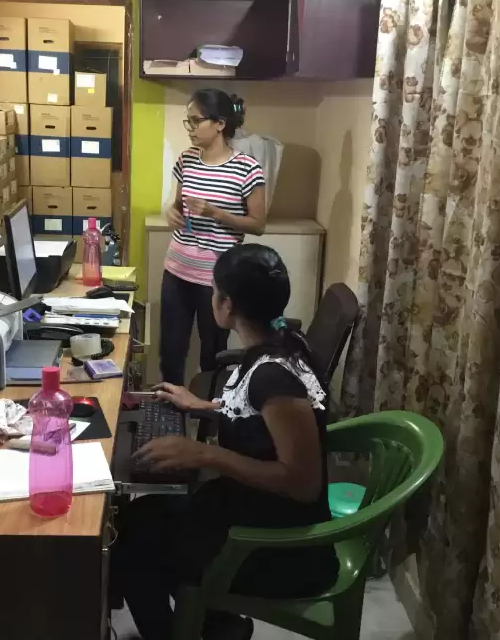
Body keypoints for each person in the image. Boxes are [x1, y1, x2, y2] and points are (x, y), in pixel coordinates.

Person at [111, 244, 338, 640]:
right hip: (252, 513)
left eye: (213, 290)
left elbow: (303, 484)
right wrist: (202, 406)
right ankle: (217, 625)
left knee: (131, 546)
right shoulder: (283, 341)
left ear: (227, 305)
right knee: (137, 518)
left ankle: (186, 629)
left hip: (278, 549)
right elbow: (259, 421)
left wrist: (204, 453)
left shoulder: (274, 378)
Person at [160, 89, 267, 386]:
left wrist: (215, 213)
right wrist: (172, 213)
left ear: (220, 123)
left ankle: (207, 408)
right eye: (188, 122)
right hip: (177, 269)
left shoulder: (247, 168)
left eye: (196, 121)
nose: (191, 129)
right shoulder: (187, 160)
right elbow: (177, 205)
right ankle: (169, 405)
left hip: (216, 278)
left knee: (212, 353)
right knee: (171, 351)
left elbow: (258, 224)